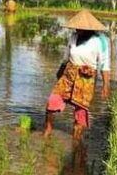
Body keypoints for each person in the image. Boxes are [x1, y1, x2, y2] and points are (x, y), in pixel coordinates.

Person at [44, 10, 110, 141]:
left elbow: (104, 64)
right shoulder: (73, 37)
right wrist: (60, 72)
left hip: (86, 78)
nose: (77, 29)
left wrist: (105, 85)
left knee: (80, 109)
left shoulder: (100, 41)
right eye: (76, 26)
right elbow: (66, 57)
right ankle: (48, 130)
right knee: (52, 101)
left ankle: (77, 138)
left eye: (80, 27)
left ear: (88, 28)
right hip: (69, 74)